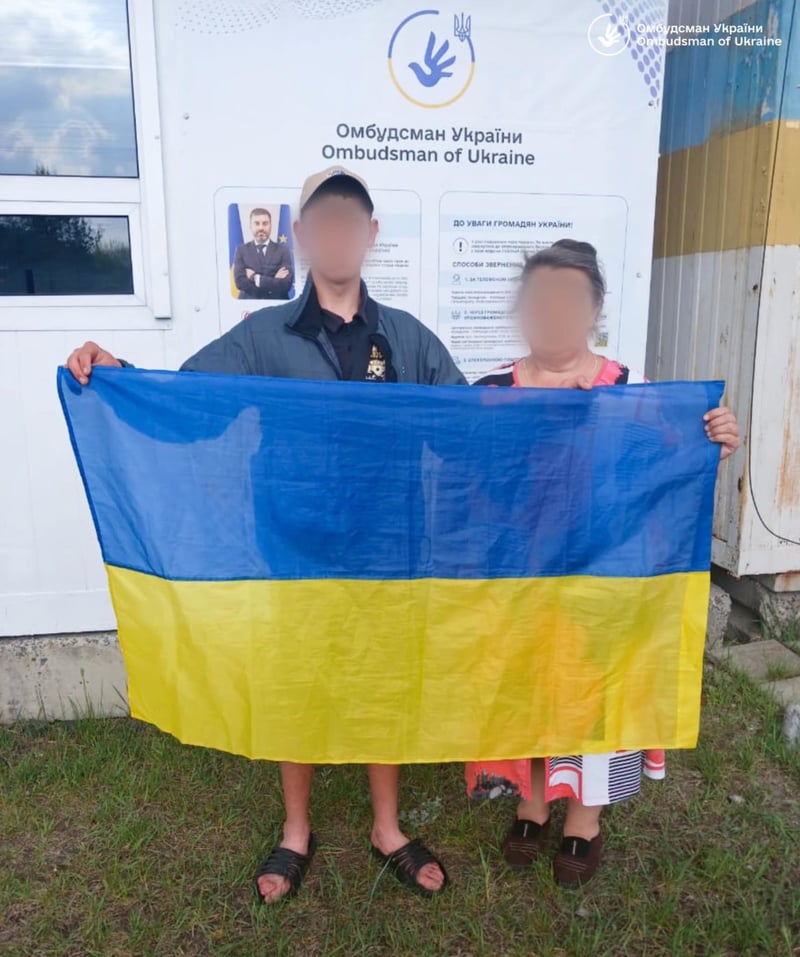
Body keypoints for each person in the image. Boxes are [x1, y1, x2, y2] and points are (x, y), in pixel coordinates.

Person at [66, 165, 466, 904]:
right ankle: (296, 828)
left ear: (371, 235)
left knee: (380, 683)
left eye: (353, 221)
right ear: (303, 235)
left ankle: (386, 826)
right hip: (292, 546)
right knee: (297, 682)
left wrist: (560, 397)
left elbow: (472, 426)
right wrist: (121, 374)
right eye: (326, 220)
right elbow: (192, 401)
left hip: (387, 550)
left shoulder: (408, 339)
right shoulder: (262, 336)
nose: (339, 234)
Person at [466, 238, 741, 889]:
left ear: (594, 310)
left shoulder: (633, 392)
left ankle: (583, 819)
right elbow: (465, 480)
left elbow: (673, 461)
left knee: (595, 695)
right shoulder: (488, 392)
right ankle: (532, 803)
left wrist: (714, 442)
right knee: (528, 690)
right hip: (519, 578)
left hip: (607, 577)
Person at [233, 207, 294, 300]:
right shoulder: (241, 250)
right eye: (257, 223)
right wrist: (274, 281)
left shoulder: (283, 251)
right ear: (250, 226)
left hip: (277, 304)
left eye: (265, 223)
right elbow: (239, 282)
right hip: (248, 304)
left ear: (270, 226)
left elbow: (286, 284)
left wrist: (255, 277)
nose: (261, 228)